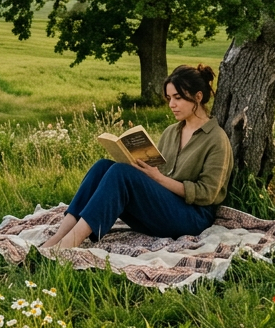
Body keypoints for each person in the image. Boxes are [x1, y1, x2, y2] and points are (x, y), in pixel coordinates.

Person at [42, 64, 232, 249]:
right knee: (103, 166)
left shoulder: (216, 139)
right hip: (162, 210)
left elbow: (207, 194)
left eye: (178, 97)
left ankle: (68, 244)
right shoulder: (171, 132)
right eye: (169, 98)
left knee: (120, 172)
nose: (171, 105)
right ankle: (59, 237)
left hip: (192, 218)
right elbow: (157, 173)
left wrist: (157, 178)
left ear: (198, 97)